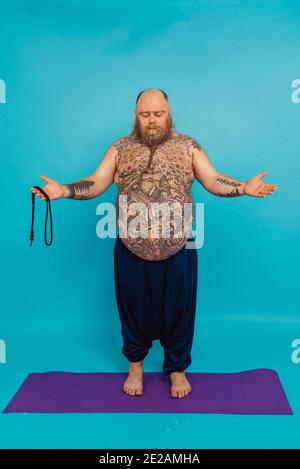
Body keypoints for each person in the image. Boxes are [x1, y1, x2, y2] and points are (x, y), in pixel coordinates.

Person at [31, 88, 278, 399]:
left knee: (180, 310)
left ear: (169, 114)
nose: (151, 120)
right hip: (131, 247)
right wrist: (63, 191)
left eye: (157, 114)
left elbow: (213, 179)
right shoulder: (120, 149)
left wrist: (244, 187)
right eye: (144, 114)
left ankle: (177, 370)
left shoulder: (188, 147)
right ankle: (136, 366)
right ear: (136, 116)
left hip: (179, 247)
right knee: (131, 309)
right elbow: (96, 182)